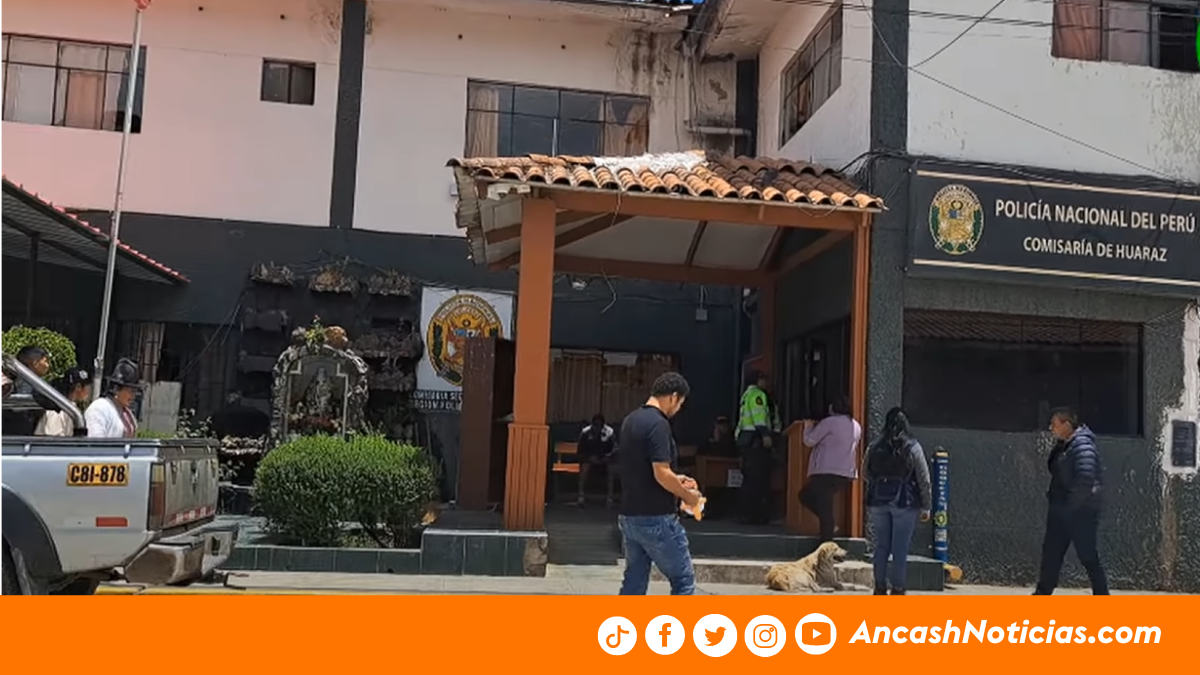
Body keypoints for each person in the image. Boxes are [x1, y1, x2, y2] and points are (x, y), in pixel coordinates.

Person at [617, 372, 703, 595]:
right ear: (673, 397)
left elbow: (642, 467)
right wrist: (689, 497)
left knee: (634, 581)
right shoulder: (659, 425)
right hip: (656, 516)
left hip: (629, 515)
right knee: (683, 579)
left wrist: (677, 479)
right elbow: (661, 473)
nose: (678, 409)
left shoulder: (630, 420)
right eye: (680, 403)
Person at [1034, 407, 1109, 595]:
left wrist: (1070, 507)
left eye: (1055, 424)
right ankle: (1042, 593)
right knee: (1051, 554)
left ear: (1067, 425)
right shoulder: (1065, 445)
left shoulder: (1083, 446)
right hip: (1061, 510)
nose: (1051, 428)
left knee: (1088, 556)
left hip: (1080, 512)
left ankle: (1102, 595)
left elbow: (1085, 479)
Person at [864, 407, 931, 595]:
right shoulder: (913, 446)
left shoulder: (874, 446)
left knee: (881, 546)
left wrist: (881, 484)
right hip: (904, 502)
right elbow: (924, 478)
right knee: (899, 548)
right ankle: (898, 589)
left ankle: (879, 587)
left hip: (878, 501)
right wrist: (926, 505)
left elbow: (865, 473)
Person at [799, 394, 861, 542]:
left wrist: (808, 427)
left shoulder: (830, 422)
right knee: (810, 497)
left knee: (821, 504)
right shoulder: (856, 425)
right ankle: (829, 529)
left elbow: (809, 440)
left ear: (832, 407)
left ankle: (827, 541)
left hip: (825, 470)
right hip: (845, 472)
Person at [736, 370, 781, 525]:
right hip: (756, 442)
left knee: (750, 479)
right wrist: (766, 435)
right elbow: (759, 417)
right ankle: (755, 515)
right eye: (764, 379)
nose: (766, 383)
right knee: (758, 479)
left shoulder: (746, 395)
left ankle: (747, 514)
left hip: (746, 441)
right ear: (758, 380)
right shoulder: (757, 395)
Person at [85, 358, 142, 439]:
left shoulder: (127, 412)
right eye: (131, 391)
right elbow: (95, 441)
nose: (133, 396)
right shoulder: (100, 408)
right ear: (117, 389)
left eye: (135, 392)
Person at [34, 367, 92, 437]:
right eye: (87, 387)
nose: (89, 391)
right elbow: (54, 439)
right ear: (78, 387)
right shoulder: (57, 409)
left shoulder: (69, 407)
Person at [576, 414, 617, 507]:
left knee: (611, 468)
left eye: (599, 426)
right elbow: (580, 451)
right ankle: (581, 496)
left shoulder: (609, 432)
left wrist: (606, 457)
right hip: (589, 460)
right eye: (595, 425)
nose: (597, 428)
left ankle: (610, 497)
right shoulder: (585, 433)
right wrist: (588, 458)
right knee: (584, 467)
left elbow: (614, 449)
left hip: (604, 460)